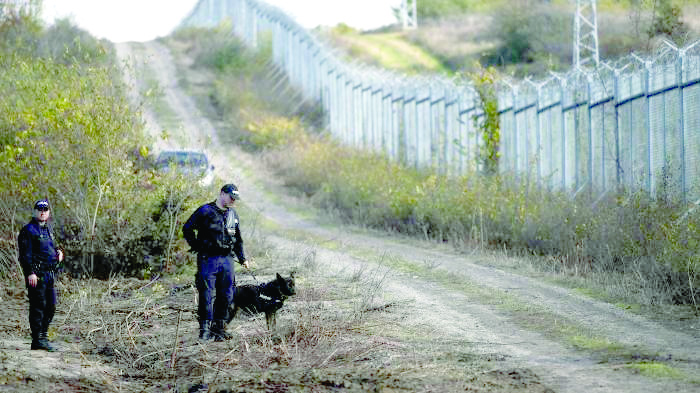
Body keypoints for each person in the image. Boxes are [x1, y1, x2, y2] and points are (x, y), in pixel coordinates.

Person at [183, 184, 249, 341]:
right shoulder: (205, 211)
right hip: (208, 259)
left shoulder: (233, 215)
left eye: (235, 199)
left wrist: (243, 258)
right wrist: (198, 246)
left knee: (227, 294)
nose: (233, 201)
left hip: (227, 260)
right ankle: (204, 330)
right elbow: (187, 228)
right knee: (206, 294)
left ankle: (219, 329)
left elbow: (238, 239)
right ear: (222, 194)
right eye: (231, 197)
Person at [17, 199, 64, 351]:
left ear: (49, 212)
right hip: (36, 275)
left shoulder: (48, 229)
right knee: (38, 307)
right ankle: (37, 340)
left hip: (49, 274)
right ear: (34, 211)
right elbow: (25, 255)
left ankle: (43, 337)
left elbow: (51, 247)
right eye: (39, 209)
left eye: (45, 209)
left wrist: (58, 253)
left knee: (51, 306)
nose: (42, 212)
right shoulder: (28, 230)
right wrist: (30, 273)